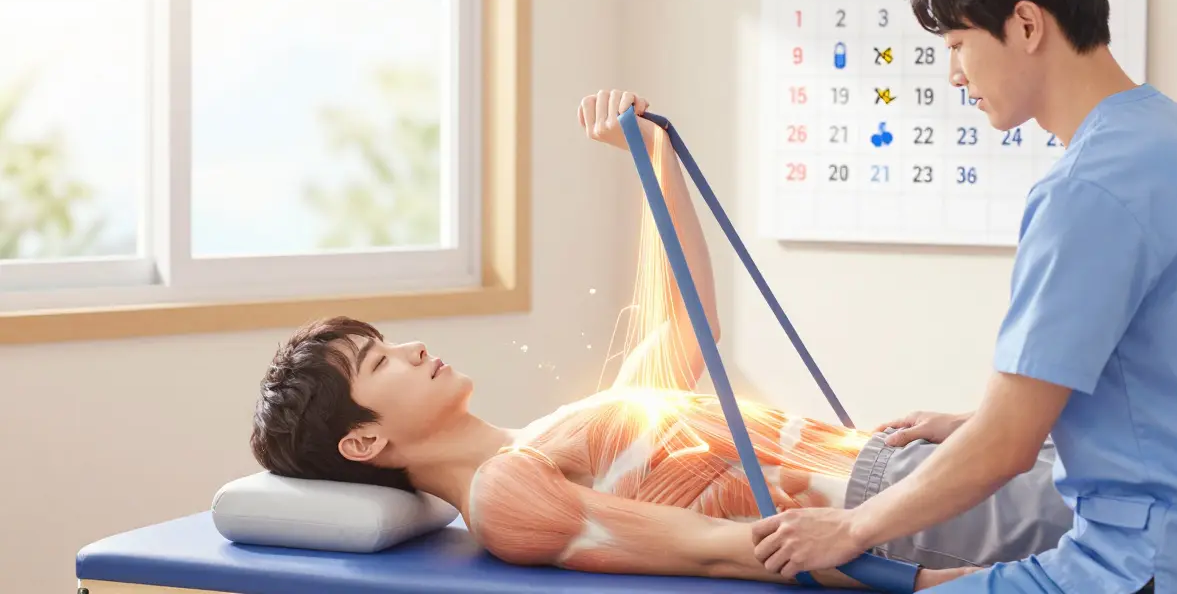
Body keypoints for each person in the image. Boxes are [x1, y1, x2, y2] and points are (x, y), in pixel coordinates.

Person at [249, 89, 1075, 590]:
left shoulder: (553, 434)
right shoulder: (506, 495)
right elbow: (718, 550)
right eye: (378, 362)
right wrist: (924, 583)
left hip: (904, 475)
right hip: (897, 517)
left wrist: (654, 159)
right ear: (364, 440)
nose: (412, 350)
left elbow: (691, 325)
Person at [749, 0, 1177, 594]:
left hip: (1150, 567)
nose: (954, 74)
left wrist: (850, 528)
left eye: (959, 45)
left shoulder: (1087, 189)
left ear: (1026, 24)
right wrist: (975, 421)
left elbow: (1006, 449)